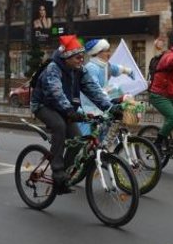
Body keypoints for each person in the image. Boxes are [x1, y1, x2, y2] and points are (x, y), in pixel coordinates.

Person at [31, 35, 118, 194]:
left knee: (77, 141)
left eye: (82, 57)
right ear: (67, 57)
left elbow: (93, 90)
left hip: (64, 107)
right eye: (78, 57)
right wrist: (70, 111)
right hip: (44, 105)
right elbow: (56, 93)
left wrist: (110, 108)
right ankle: (57, 171)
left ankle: (63, 177)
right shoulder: (53, 68)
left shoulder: (80, 70)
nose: (81, 60)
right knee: (59, 126)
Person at [79, 39, 133, 136]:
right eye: (106, 51)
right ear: (97, 52)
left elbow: (116, 69)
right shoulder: (91, 67)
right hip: (91, 106)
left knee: (103, 134)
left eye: (109, 51)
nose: (109, 54)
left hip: (101, 104)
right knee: (89, 137)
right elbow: (94, 89)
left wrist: (128, 71)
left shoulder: (105, 65)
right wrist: (111, 99)